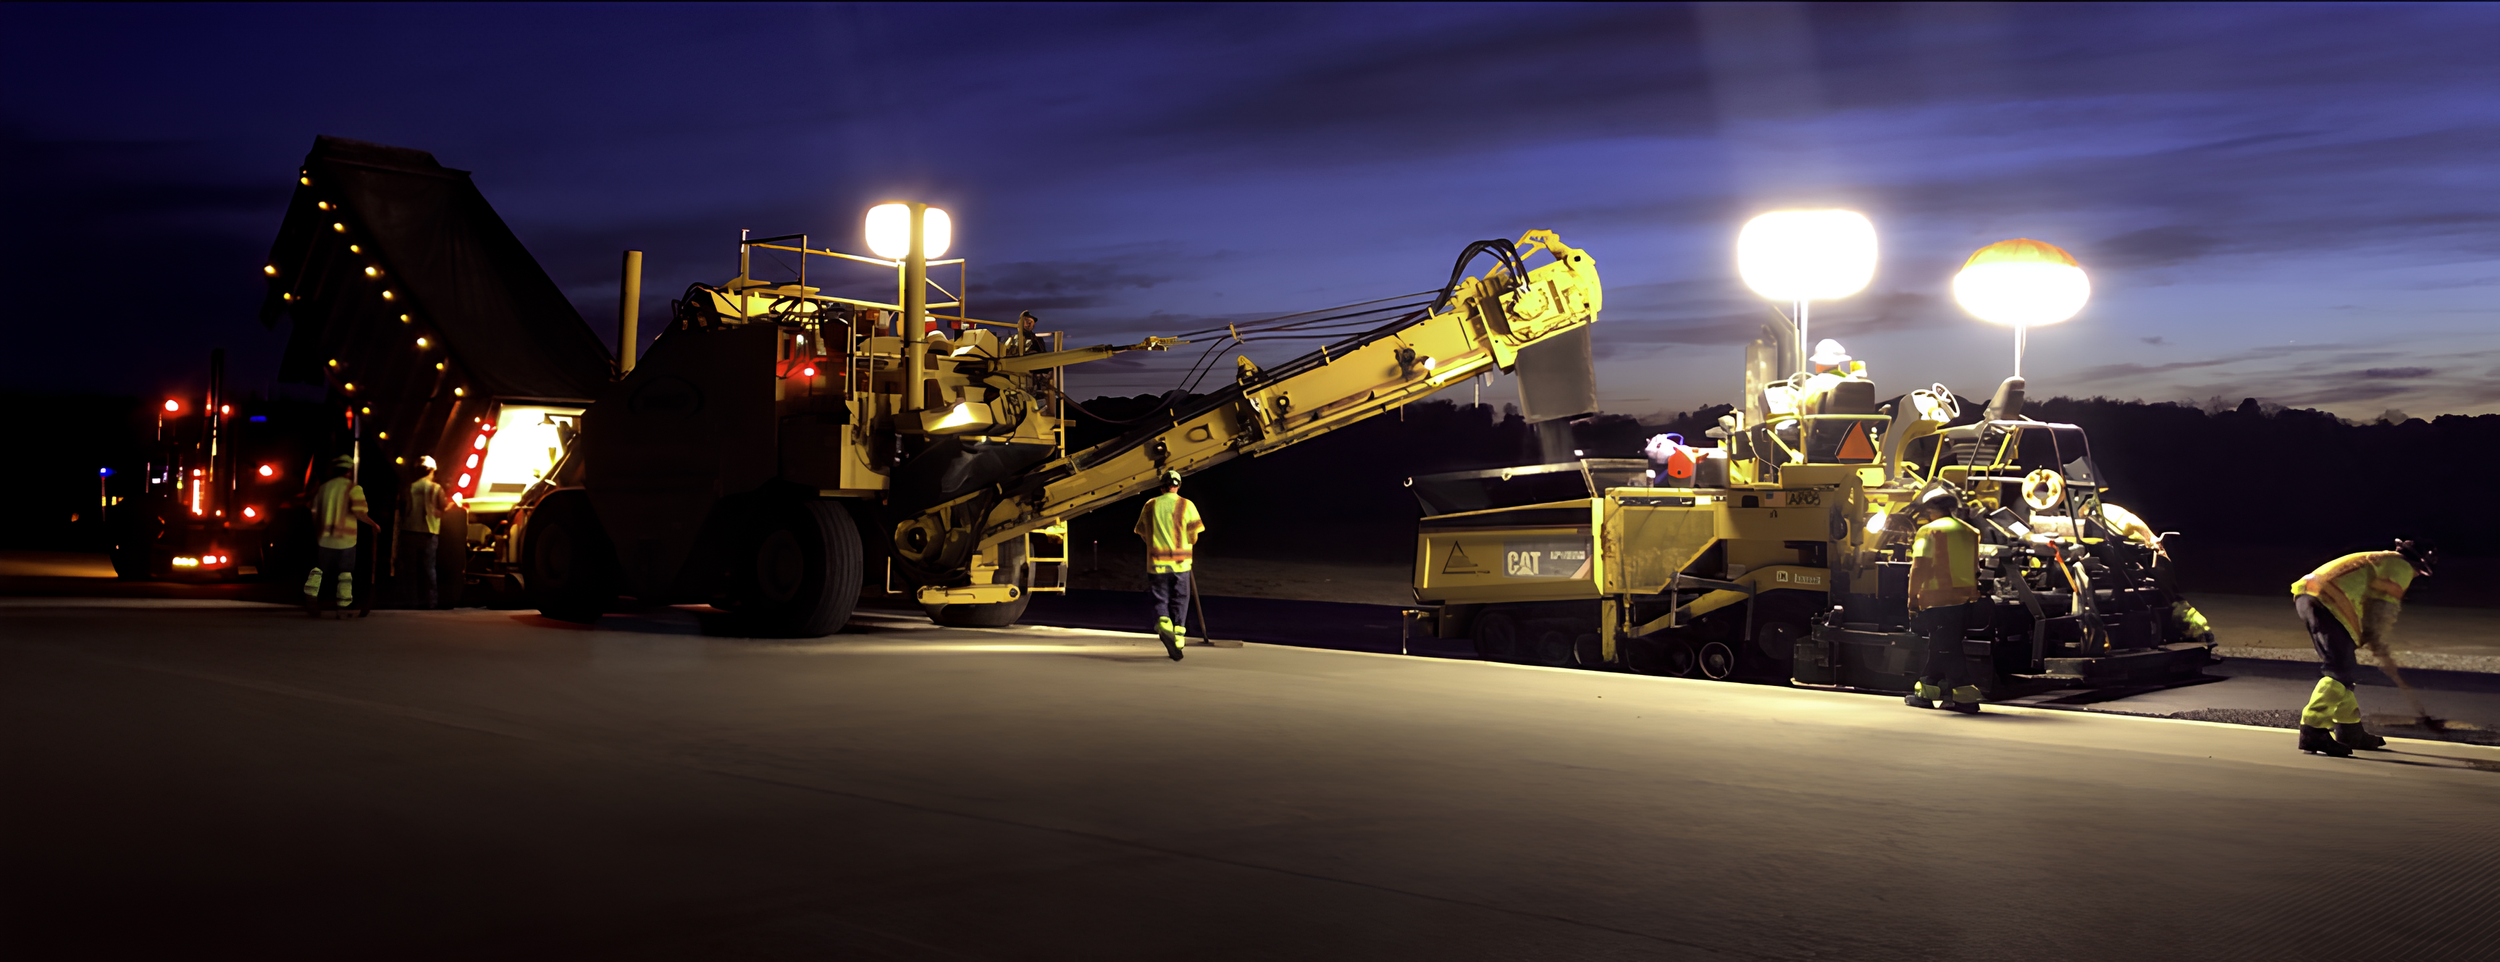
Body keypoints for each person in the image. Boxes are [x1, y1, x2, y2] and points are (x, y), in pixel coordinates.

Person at [2291, 539, 2436, 756]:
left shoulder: (2384, 559)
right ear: (2418, 565)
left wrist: (2372, 638)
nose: (2416, 577)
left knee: (2345, 669)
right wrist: (2377, 640)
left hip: (2313, 596)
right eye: (2420, 573)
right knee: (2339, 670)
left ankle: (2349, 729)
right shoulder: (2401, 567)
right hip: (2326, 600)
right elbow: (2382, 606)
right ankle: (2313, 729)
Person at [1905, 485, 1984, 713]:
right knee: (1943, 647)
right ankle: (1928, 691)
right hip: (1965, 600)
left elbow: (1918, 567)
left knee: (1945, 648)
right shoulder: (1970, 531)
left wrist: (1912, 599)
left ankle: (1964, 698)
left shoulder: (1928, 532)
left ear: (1930, 510)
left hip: (1938, 600)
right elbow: (1975, 568)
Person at [1133, 469, 1203, 661]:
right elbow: (1194, 536)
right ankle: (1179, 636)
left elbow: (1142, 533)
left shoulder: (1150, 505)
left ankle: (1164, 622)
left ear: (1162, 486)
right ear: (1178, 486)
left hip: (1157, 562)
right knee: (1181, 597)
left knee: (1160, 597)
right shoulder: (1186, 505)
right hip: (1181, 563)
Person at [303, 455, 375, 612]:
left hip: (324, 539)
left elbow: (312, 509)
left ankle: (311, 597)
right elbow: (359, 513)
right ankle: (343, 605)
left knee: (318, 570)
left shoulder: (323, 488)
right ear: (349, 470)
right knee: (345, 574)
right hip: (346, 541)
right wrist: (373, 524)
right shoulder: (353, 488)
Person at [400, 456, 451, 608]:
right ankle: (431, 602)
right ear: (432, 470)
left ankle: (411, 602)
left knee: (410, 570)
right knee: (429, 568)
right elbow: (443, 506)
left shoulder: (409, 487)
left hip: (409, 530)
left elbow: (403, 508)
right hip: (429, 532)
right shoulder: (436, 488)